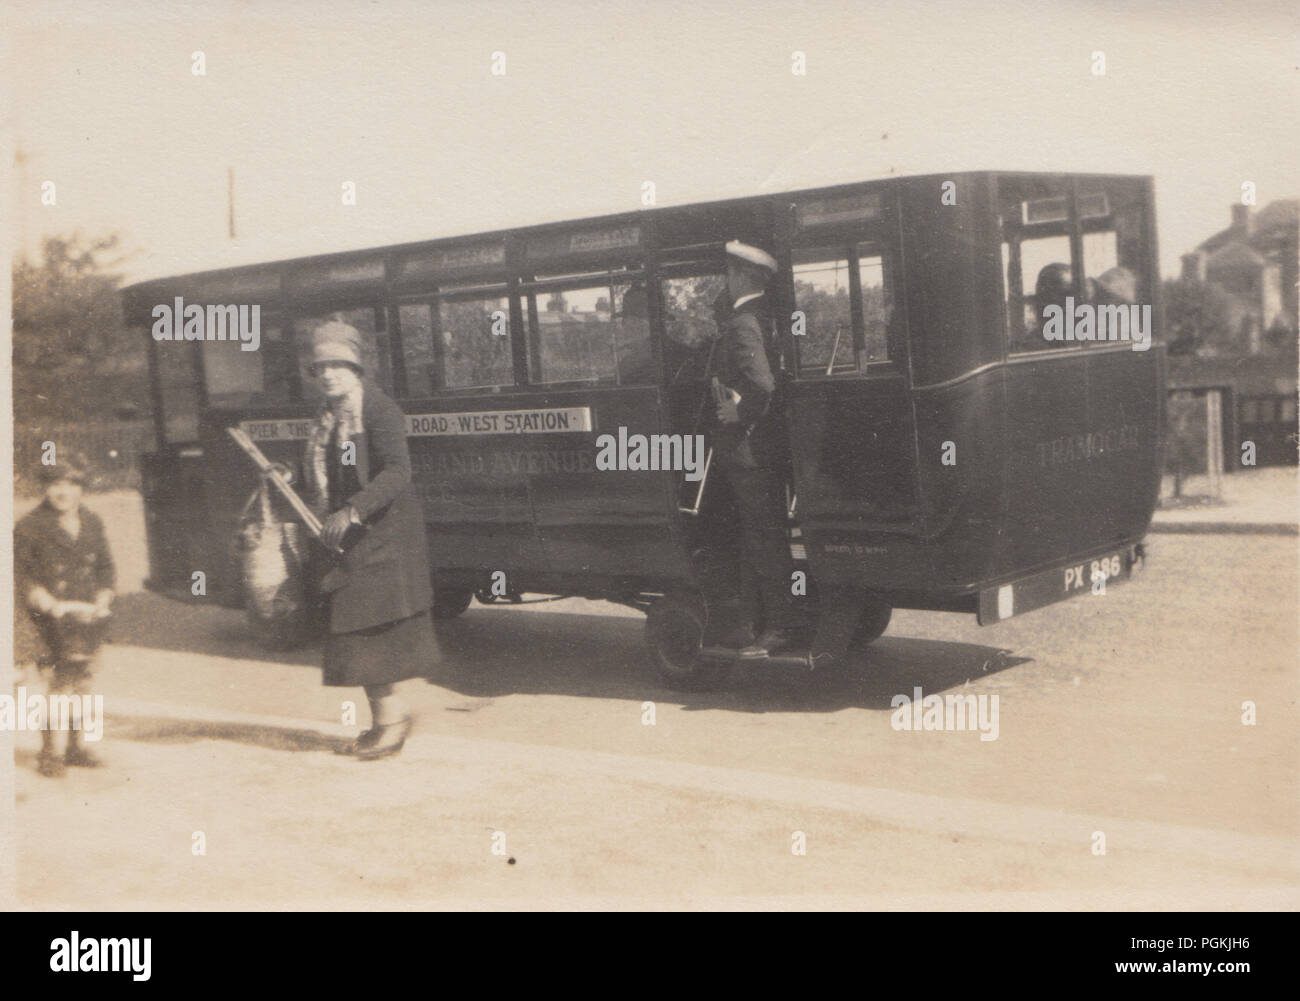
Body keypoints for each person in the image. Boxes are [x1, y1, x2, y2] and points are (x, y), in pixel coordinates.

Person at [300, 321, 438, 760]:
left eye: (338, 366)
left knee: (369, 635)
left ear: (356, 368)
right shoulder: (328, 417)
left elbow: (398, 471)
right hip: (352, 540)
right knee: (356, 637)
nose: (329, 375)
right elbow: (332, 470)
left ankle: (391, 725)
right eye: (321, 367)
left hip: (385, 540)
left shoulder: (378, 410)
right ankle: (385, 722)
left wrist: (353, 510)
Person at [710, 240, 802, 658]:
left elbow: (763, 385)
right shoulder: (766, 315)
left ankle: (778, 627)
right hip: (766, 450)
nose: (725, 282)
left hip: (750, 453)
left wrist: (738, 413)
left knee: (763, 540)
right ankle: (751, 625)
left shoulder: (743, 322)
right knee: (759, 537)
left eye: (728, 274)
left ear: (741, 276)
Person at [15, 454, 115, 777]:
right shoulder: (30, 527)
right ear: (45, 488)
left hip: (87, 617)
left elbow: (105, 567)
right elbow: (20, 575)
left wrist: (103, 597)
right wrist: (42, 598)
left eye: (71, 484)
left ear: (81, 489)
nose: (64, 492)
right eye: (56, 484)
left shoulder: (92, 522)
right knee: (59, 686)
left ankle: (76, 747)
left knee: (84, 682)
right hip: (51, 619)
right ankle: (49, 753)